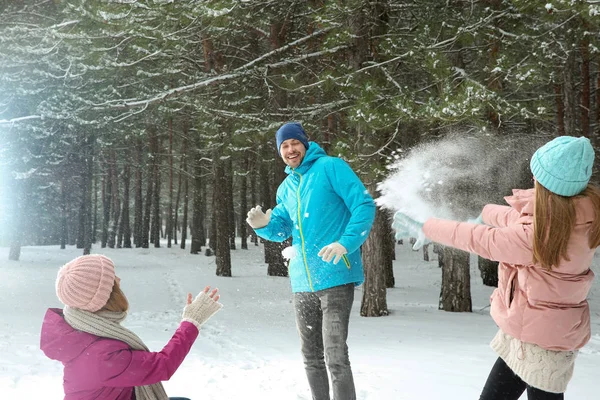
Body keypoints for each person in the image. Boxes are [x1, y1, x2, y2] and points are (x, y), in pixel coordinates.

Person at [392, 136, 600, 400]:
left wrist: (427, 228)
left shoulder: (538, 236)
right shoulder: (578, 215)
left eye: (538, 177)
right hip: (533, 329)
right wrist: (487, 214)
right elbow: (519, 217)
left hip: (541, 340)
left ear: (550, 188)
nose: (533, 181)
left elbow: (483, 240)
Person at [246, 122, 376, 400]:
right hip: (302, 281)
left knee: (335, 354)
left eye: (294, 143)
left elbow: (363, 205)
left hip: (335, 276)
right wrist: (263, 225)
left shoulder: (331, 168)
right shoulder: (286, 187)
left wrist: (345, 243)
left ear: (305, 143)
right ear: (279, 152)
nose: (290, 150)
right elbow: (282, 228)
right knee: (311, 356)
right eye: (284, 146)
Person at [40, 254, 223, 400]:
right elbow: (162, 365)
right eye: (112, 280)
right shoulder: (102, 356)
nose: (119, 279)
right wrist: (191, 321)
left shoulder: (81, 331)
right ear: (105, 298)